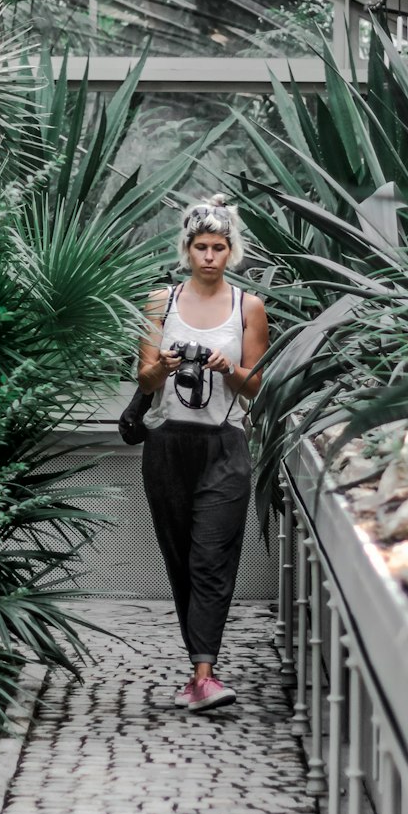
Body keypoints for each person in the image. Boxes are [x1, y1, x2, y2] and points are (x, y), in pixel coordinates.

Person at [137, 195, 269, 713]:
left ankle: (204, 674)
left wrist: (226, 367)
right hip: (168, 443)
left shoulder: (248, 307)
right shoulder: (160, 303)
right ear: (186, 250)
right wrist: (164, 367)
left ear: (231, 251)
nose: (209, 256)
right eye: (200, 247)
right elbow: (143, 376)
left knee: (212, 556)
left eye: (218, 247)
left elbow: (255, 385)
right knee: (181, 558)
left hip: (224, 445)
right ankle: (199, 663)